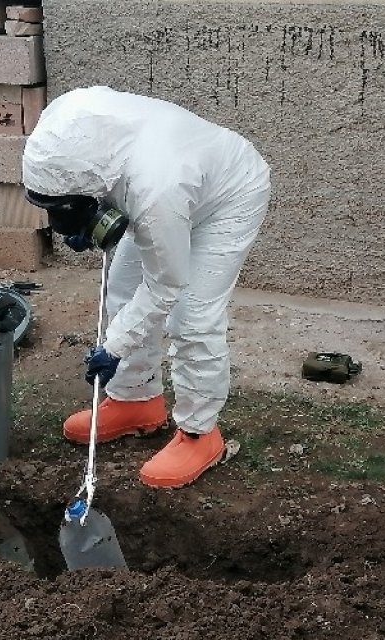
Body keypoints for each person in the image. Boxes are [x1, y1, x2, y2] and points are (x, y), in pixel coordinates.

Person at [22, 86, 271, 490]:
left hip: (228, 194)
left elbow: (165, 285)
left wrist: (114, 347)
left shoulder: (156, 191)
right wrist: (80, 219)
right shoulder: (62, 131)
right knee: (120, 289)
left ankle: (199, 434)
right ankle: (135, 400)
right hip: (170, 180)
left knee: (191, 316)